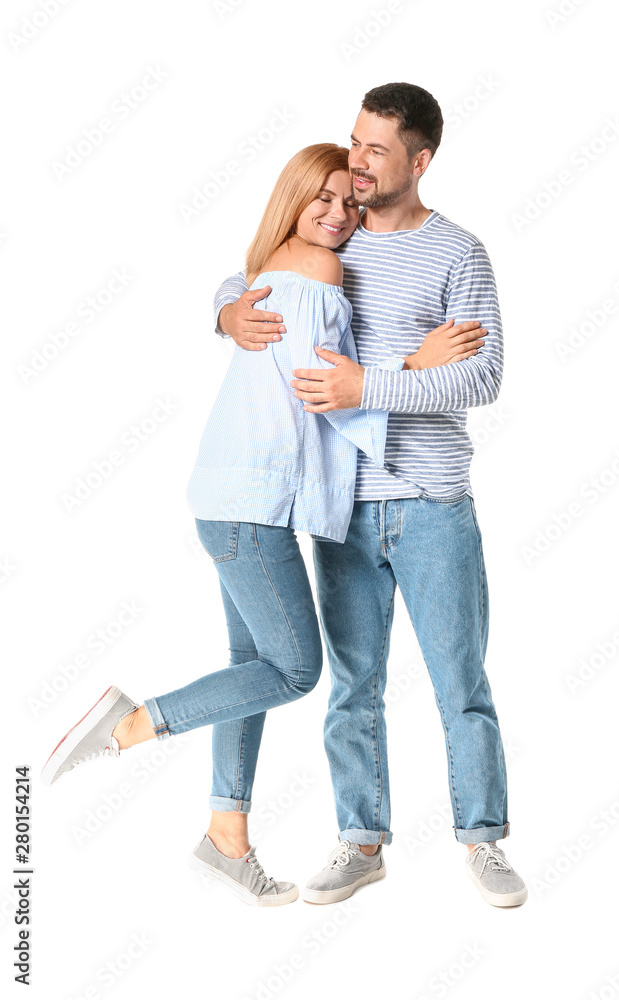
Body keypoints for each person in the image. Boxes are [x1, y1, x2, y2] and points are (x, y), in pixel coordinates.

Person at [41, 143, 483, 908]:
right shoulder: (320, 269)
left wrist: (224, 307)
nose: (339, 215)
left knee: (249, 669)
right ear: (293, 196)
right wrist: (414, 367)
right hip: (253, 504)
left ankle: (225, 837)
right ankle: (134, 724)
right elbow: (327, 388)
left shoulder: (270, 264)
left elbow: (246, 296)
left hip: (232, 495)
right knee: (293, 671)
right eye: (325, 199)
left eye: (350, 202)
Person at [214, 82, 528, 908]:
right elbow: (246, 277)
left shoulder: (458, 252)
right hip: (340, 503)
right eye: (354, 141)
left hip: (431, 499)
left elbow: (484, 374)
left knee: (458, 680)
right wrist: (224, 313)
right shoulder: (332, 235)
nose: (355, 161)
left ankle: (482, 840)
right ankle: (361, 841)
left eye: (376, 149)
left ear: (418, 162)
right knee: (353, 687)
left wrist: (369, 383)